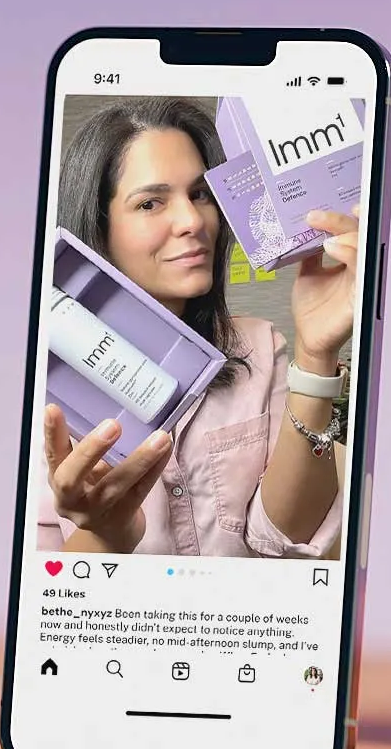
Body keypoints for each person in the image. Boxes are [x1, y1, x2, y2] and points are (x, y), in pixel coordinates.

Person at [36, 96, 360, 558]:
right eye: (150, 203)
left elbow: (286, 539)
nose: (191, 221)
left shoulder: (259, 347)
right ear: (97, 222)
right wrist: (107, 530)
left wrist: (316, 353)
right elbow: (43, 602)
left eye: (200, 194)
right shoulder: (37, 394)